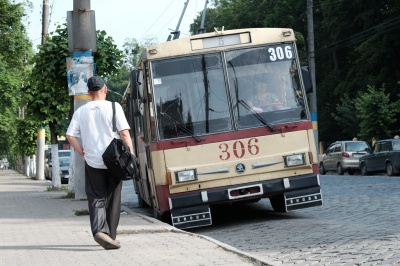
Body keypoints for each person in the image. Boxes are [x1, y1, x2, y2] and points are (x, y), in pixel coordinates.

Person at [66, 76, 134, 250]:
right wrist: (131, 154)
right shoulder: (114, 106)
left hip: (92, 160)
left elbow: (70, 136)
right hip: (115, 160)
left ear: (89, 93)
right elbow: (124, 133)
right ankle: (111, 235)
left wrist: (82, 153)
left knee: (96, 196)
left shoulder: (81, 111)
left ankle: (99, 230)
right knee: (113, 198)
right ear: (105, 89)